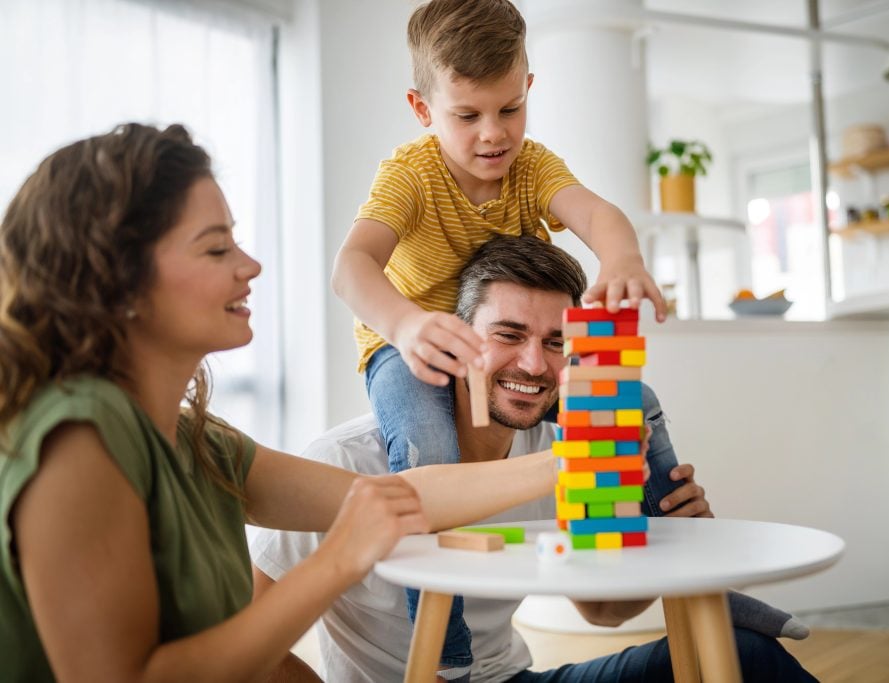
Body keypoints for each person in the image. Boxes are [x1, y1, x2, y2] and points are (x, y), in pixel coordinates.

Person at [0, 124, 566, 681]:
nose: (250, 266)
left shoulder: (199, 439)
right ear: (118, 280)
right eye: (217, 247)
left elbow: (399, 499)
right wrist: (337, 560)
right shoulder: (78, 438)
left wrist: (567, 460)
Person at [253, 235, 817, 682]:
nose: (534, 364)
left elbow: (601, 611)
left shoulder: (558, 450)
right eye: (509, 334)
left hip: (513, 679)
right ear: (455, 340)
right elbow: (241, 627)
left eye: (555, 342)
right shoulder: (347, 462)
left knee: (747, 656)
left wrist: (661, 538)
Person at [332, 0, 690, 669]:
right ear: (422, 108)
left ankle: (698, 570)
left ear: (528, 88)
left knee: (631, 401)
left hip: (498, 354)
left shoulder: (533, 168)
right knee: (430, 449)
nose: (493, 135)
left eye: (509, 109)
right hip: (410, 349)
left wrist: (621, 260)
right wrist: (407, 324)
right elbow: (350, 268)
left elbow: (598, 212)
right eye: (466, 116)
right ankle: (446, 649)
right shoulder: (411, 175)